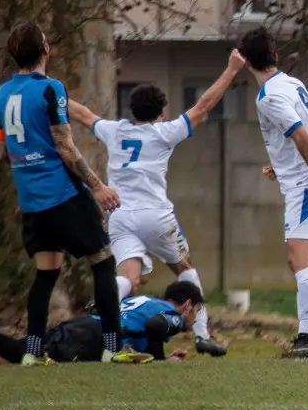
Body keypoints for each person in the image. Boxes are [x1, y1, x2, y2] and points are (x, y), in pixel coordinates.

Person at [67, 49, 245, 357]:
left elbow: (82, 114)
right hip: (155, 216)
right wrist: (231, 70)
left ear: (132, 110)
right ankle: (202, 335)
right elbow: (203, 106)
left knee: (127, 278)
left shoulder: (115, 130)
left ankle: (106, 327)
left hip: (120, 215)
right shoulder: (165, 132)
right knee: (186, 269)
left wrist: (49, 92)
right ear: (161, 112)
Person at [0, 20, 124, 366]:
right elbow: (65, 146)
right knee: (103, 261)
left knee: (47, 272)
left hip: (32, 201)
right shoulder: (51, 88)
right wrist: (98, 187)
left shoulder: (1, 96)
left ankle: (32, 353)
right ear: (45, 48)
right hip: (63, 193)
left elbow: (4, 152)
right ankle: (113, 346)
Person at [237, 27, 308, 358]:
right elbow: (300, 134)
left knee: (299, 259)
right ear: (276, 56)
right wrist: (282, 168)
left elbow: (301, 135)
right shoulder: (293, 83)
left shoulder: (269, 96)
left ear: (245, 62)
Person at [0, 265, 202, 364]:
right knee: (32, 358)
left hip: (86, 327)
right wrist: (159, 362)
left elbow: (144, 326)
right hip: (91, 337)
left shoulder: (147, 300)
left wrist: (162, 355)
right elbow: (156, 326)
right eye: (197, 312)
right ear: (187, 304)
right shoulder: (172, 315)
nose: (194, 319)